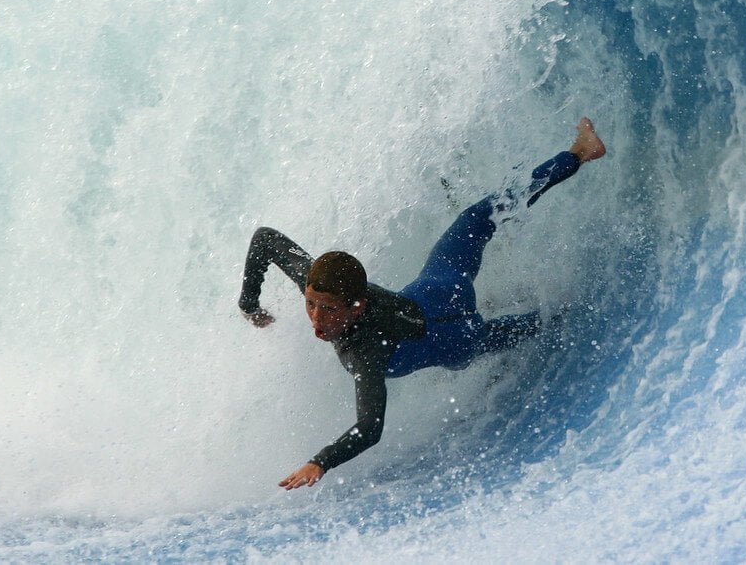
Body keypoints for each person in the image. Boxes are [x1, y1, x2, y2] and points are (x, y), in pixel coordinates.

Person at [238, 117, 606, 490]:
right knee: (477, 220)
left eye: (330, 310)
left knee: (526, 314)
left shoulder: (366, 352)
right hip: (439, 286)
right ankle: (578, 157)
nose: (317, 318)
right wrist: (249, 304)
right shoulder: (319, 280)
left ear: (358, 305)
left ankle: (579, 302)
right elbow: (265, 239)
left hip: (456, 333)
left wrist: (320, 462)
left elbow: (370, 429)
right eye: (311, 303)